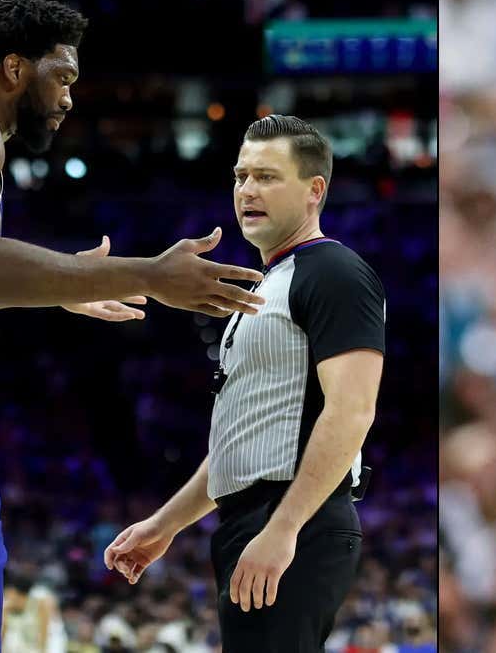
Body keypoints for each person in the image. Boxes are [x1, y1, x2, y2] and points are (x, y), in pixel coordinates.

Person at [0, 0, 266, 652]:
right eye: (62, 76)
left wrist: (58, 286)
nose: (69, 97)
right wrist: (147, 273)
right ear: (14, 68)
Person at [104, 114, 385, 653]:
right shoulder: (268, 284)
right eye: (240, 176)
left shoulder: (334, 272)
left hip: (293, 519)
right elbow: (243, 443)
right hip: (254, 517)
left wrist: (284, 529)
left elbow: (352, 412)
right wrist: (165, 524)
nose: (247, 191)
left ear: (314, 190)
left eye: (267, 176)